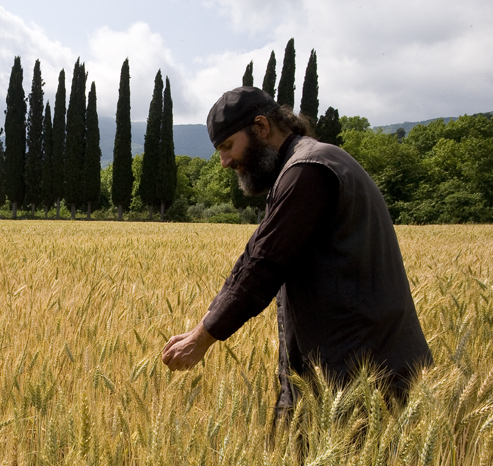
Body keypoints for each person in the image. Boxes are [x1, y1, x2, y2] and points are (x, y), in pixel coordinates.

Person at [161, 86, 432, 417]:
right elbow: (255, 255)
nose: (224, 162)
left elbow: (263, 264)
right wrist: (203, 327)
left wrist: (201, 338)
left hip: (359, 380)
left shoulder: (308, 170)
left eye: (229, 146)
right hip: (355, 371)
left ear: (261, 128)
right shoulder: (311, 164)